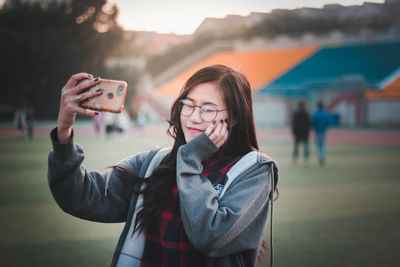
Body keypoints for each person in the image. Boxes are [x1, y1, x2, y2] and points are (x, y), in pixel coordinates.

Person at [47, 65, 278, 267]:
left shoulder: (253, 171)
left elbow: (209, 236)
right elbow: (82, 197)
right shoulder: (154, 164)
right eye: (189, 104)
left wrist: (189, 160)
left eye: (208, 109)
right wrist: (64, 130)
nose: (194, 117)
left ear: (235, 118)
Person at [311, 101, 331, 166]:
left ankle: (320, 156)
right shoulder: (325, 113)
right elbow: (328, 122)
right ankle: (322, 156)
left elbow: (312, 122)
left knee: (319, 145)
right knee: (322, 145)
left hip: (317, 131)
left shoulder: (315, 114)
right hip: (323, 131)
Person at [291, 101, 310, 165]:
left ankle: (295, 159)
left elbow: (294, 124)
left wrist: (294, 132)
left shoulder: (297, 114)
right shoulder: (306, 114)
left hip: (298, 133)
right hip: (304, 133)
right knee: (304, 146)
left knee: (298, 147)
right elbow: (308, 124)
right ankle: (305, 159)